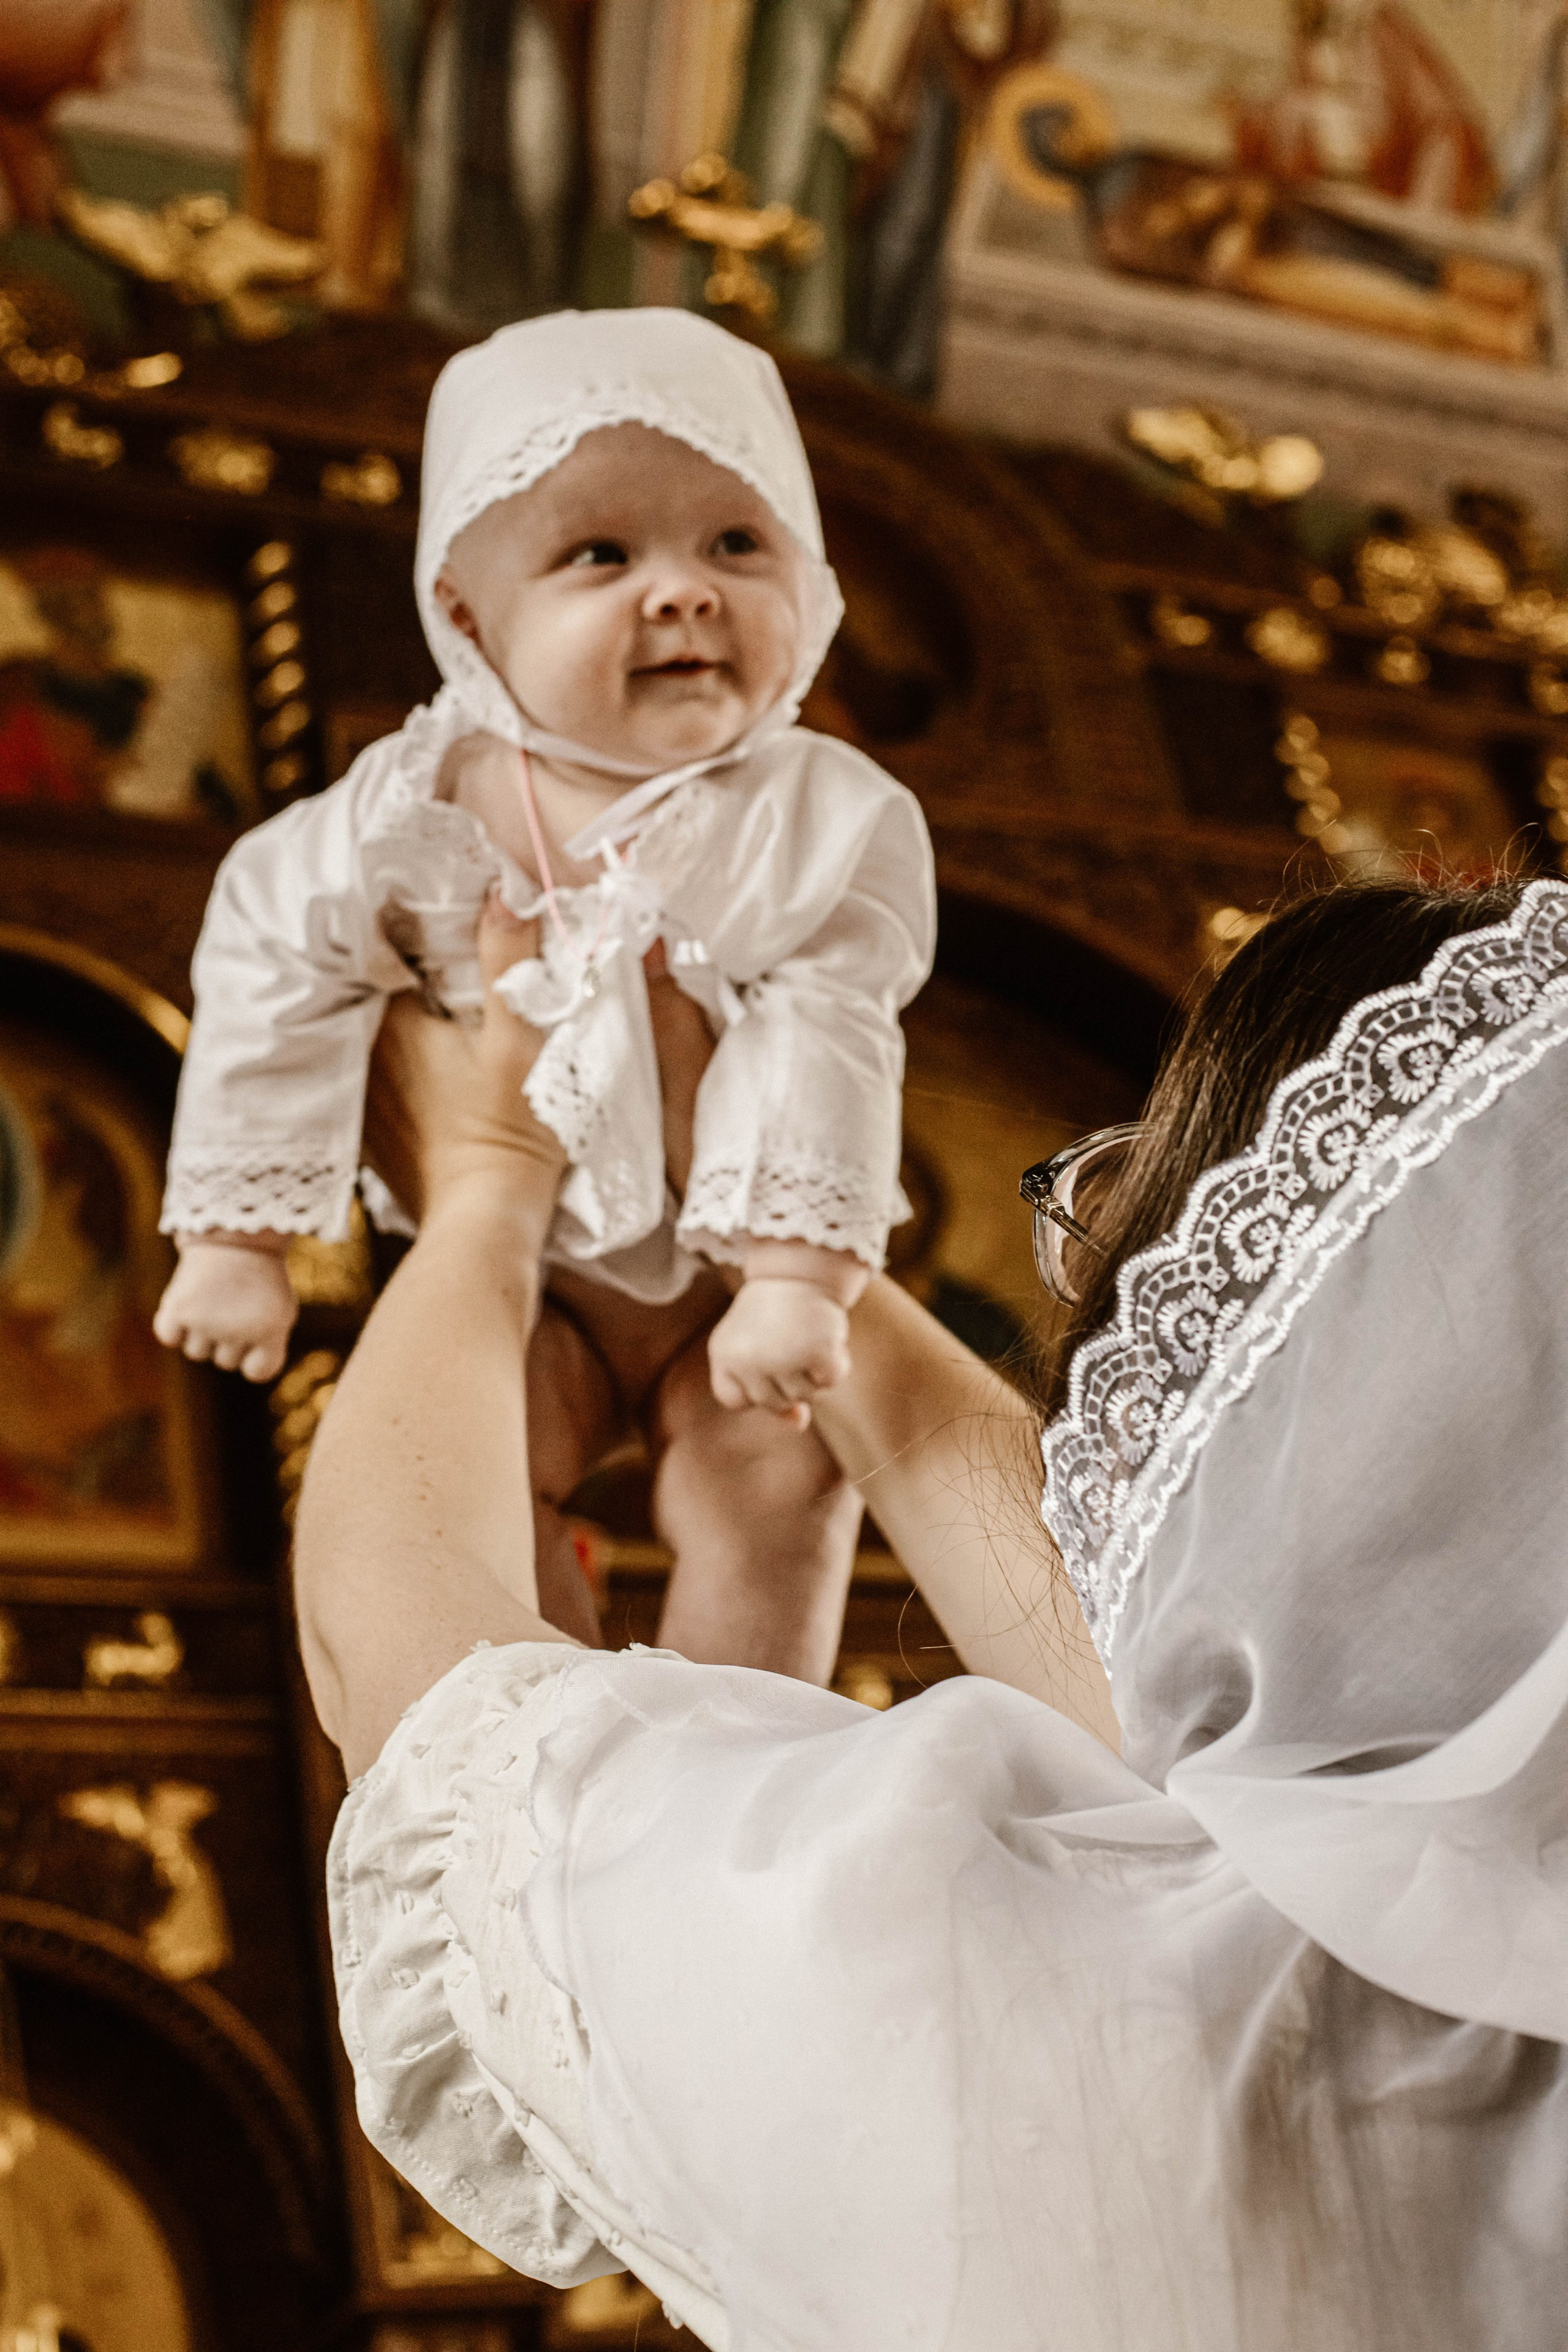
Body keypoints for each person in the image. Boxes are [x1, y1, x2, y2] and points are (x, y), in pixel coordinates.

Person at [301, 873, 1568, 2349]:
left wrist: (493, 1179)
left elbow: (435, 1732)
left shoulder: (1228, 2043)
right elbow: (1213, 1731)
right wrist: (787, 1306)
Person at [154, 306, 935, 1673]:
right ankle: (566, 1734)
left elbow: (831, 1030)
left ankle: (743, 1741)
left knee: (781, 1482)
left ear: (810, 586)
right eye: (601, 555)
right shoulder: (421, 805)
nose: (683, 593)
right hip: (532, 1290)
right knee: (471, 1472)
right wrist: (236, 1237)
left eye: (736, 544)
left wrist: (795, 1276)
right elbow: (276, 950)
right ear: (468, 616)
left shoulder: (816, 813)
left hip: (728, 1273)